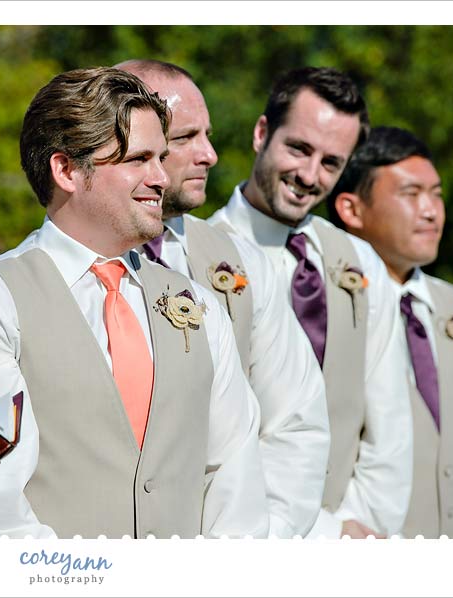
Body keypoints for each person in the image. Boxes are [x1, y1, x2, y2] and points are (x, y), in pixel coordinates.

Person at [0, 67, 268, 539]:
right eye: (138, 159)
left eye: (161, 158)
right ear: (66, 170)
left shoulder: (198, 305)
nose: (162, 178)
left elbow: (235, 476)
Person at [115, 59, 329, 538]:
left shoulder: (241, 264)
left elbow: (296, 422)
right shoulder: (54, 276)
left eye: (207, 134)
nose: (209, 154)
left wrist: (258, 542)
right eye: (186, 137)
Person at [208, 67, 413, 539]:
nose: (308, 175)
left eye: (330, 163)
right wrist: (319, 533)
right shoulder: (197, 258)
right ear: (262, 133)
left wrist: (358, 527)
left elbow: (389, 420)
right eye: (298, 149)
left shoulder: (360, 262)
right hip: (244, 534)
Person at [327, 126, 453, 538]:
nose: (432, 210)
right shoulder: (319, 307)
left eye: (436, 194)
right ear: (351, 209)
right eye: (411, 194)